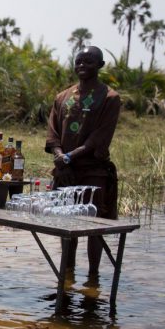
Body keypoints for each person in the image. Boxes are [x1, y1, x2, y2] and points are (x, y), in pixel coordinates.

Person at [45, 46, 121, 279]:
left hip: (93, 171)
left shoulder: (110, 98)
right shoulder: (62, 97)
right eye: (79, 61)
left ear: (100, 66)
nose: (82, 65)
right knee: (67, 224)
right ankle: (67, 273)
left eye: (89, 61)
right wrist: (61, 158)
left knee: (93, 225)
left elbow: (99, 137)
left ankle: (93, 277)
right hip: (64, 171)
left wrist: (70, 156)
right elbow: (52, 132)